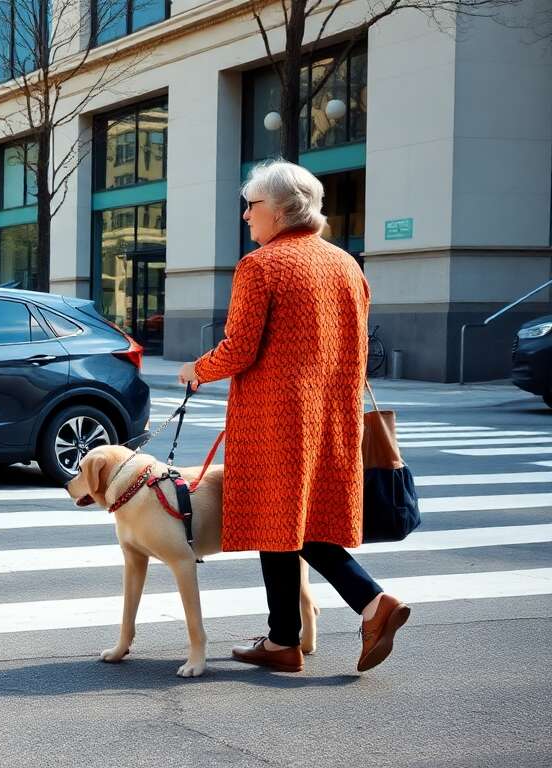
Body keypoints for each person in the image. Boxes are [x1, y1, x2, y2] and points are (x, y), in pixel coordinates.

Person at [178, 160, 408, 674]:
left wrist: (196, 369)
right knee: (287, 525)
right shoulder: (347, 265)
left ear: (280, 211)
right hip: (332, 418)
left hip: (275, 421)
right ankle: (283, 640)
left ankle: (373, 603)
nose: (245, 216)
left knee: (281, 522)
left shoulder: (261, 266)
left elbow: (239, 349)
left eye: (252, 205)